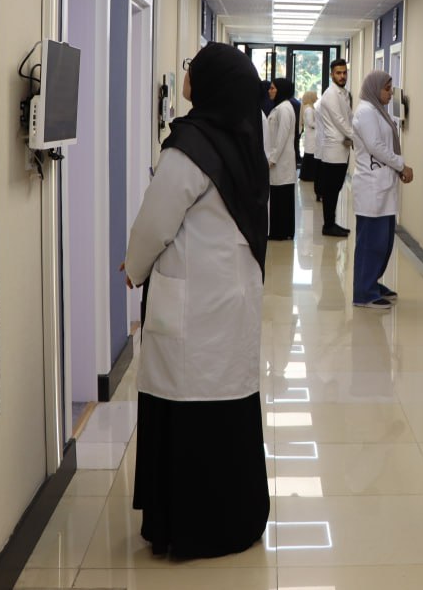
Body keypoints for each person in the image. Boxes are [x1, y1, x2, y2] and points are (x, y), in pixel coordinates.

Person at [122, 43, 270, 559]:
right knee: (227, 402)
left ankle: (190, 527)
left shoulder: (188, 148)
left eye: (193, 68)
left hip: (195, 299)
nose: (186, 73)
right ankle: (235, 518)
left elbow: (155, 222)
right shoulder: (246, 141)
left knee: (188, 403)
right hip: (232, 295)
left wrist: (133, 267)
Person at [350, 70, 413, 308]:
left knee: (383, 242)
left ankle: (372, 283)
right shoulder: (366, 111)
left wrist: (397, 167)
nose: (390, 93)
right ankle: (363, 293)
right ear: (374, 88)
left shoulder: (377, 111)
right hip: (371, 186)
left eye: (390, 88)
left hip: (382, 186)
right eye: (386, 89)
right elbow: (375, 146)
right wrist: (401, 165)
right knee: (370, 242)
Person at [314, 58, 355, 237]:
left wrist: (354, 134)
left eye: (344, 72)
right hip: (333, 150)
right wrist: (358, 138)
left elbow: (349, 118)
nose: (342, 76)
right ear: (331, 75)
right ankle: (328, 225)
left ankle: (331, 223)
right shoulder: (330, 94)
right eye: (338, 73)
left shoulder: (343, 93)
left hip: (342, 148)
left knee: (336, 188)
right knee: (331, 190)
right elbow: (340, 121)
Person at [265, 76, 297, 240]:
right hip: (281, 160)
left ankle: (280, 232)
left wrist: (272, 159)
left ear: (281, 90)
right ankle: (282, 231)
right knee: (280, 196)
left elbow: (282, 136)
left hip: (281, 161)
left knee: (282, 196)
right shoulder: (281, 107)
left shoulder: (284, 109)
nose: (270, 91)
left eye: (273, 88)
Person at [298, 90, 320, 191]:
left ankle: (307, 175)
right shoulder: (309, 110)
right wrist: (320, 125)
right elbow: (311, 123)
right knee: (310, 155)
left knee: (309, 155)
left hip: (310, 135)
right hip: (311, 136)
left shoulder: (308, 108)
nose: (317, 97)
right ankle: (308, 176)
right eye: (315, 96)